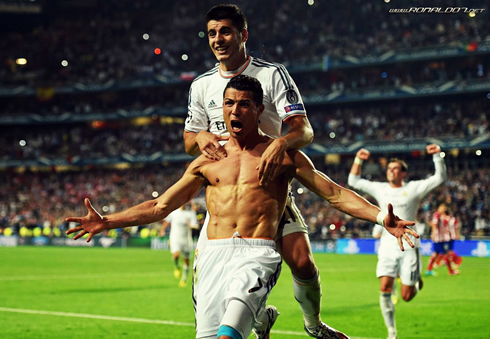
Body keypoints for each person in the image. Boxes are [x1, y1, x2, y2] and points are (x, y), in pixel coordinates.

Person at [67, 75, 418, 339]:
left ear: (259, 110)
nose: (236, 110)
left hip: (257, 255)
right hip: (212, 257)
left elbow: (334, 193)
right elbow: (161, 205)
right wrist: (107, 221)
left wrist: (379, 216)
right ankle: (262, 319)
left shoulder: (282, 155)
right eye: (229, 103)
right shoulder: (208, 160)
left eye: (245, 104)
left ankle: (297, 322)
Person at [183, 4, 332, 338]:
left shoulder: (272, 74)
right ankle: (259, 318)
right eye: (211, 33)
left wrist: (282, 143)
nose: (218, 39)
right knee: (215, 289)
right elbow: (189, 141)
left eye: (225, 31)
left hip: (269, 184)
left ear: (243, 35)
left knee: (304, 263)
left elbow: (303, 131)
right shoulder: (201, 85)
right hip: (226, 192)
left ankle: (313, 325)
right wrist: (201, 136)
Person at [348, 144, 447, 339]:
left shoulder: (413, 188)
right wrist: (358, 159)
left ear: (403, 173)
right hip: (387, 244)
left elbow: (440, 178)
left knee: (407, 297)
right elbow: (353, 180)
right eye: (389, 168)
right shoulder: (380, 189)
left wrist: (437, 156)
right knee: (385, 288)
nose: (390, 171)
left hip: (409, 244)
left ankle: (416, 282)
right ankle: (392, 333)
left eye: (395, 169)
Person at [162, 204, 199, 287]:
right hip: (175, 237)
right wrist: (162, 230)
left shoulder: (190, 213)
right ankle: (177, 266)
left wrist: (191, 225)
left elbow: (196, 225)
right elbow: (167, 221)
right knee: (175, 255)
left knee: (186, 260)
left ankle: (184, 279)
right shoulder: (174, 212)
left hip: (186, 239)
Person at [426, 204, 460, 276]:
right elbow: (434, 225)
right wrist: (433, 234)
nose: (444, 209)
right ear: (439, 208)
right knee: (446, 253)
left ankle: (429, 270)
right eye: (442, 207)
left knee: (437, 254)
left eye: (444, 208)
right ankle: (451, 271)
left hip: (442, 238)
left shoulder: (442, 216)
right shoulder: (437, 215)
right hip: (439, 239)